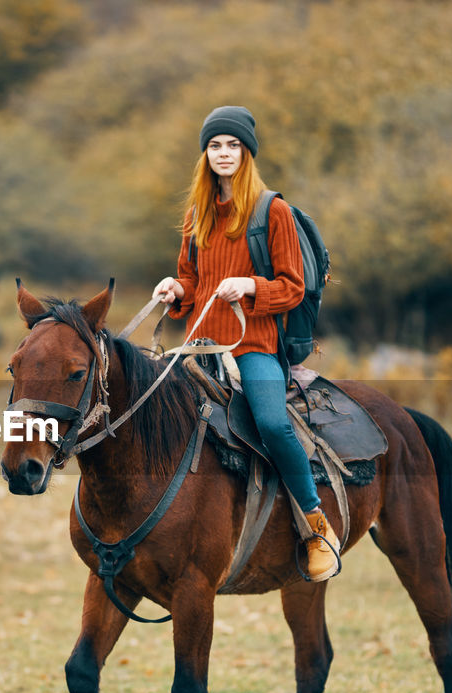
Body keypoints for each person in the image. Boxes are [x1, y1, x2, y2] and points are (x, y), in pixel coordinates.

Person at [152, 105, 340, 582]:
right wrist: (175, 289)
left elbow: (292, 287)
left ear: (248, 152)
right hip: (200, 348)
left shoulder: (271, 211)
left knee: (274, 425)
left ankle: (316, 526)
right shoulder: (198, 214)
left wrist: (252, 285)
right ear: (205, 154)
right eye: (215, 145)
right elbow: (194, 282)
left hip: (253, 346)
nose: (223, 153)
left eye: (233, 145)